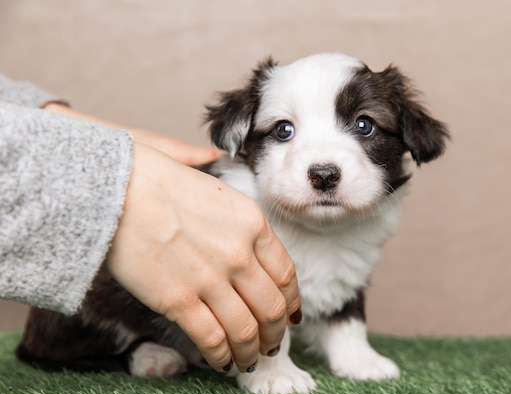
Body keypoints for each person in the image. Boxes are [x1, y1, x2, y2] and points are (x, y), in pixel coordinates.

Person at [0, 74, 302, 374]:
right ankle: (125, 350)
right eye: (285, 130)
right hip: (85, 334)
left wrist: (86, 138)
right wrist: (108, 186)